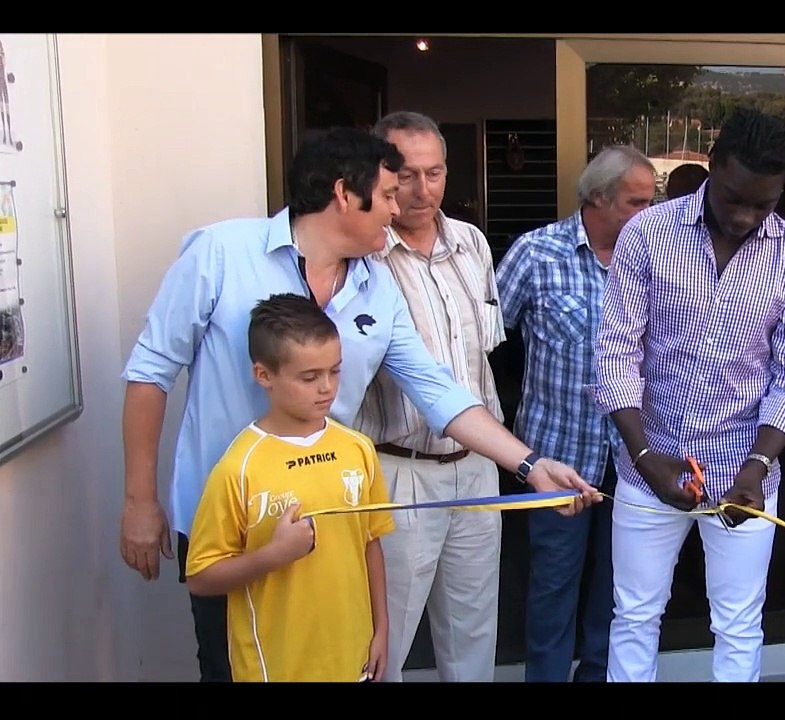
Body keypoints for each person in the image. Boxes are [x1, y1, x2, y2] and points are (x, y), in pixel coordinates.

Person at [120, 126, 597, 682]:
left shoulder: (376, 285)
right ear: (346, 194)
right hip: (232, 521)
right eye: (390, 194)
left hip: (330, 521)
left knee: (330, 661)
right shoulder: (221, 252)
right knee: (236, 666)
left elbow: (437, 390)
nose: (398, 209)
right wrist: (139, 502)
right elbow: (149, 372)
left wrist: (530, 465)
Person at [592, 107, 785, 682]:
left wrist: (759, 464)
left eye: (763, 205)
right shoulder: (648, 234)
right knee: (636, 615)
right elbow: (616, 353)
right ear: (712, 166)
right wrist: (646, 457)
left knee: (740, 623)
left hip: (747, 473)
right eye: (734, 198)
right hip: (650, 464)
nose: (746, 216)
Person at [351, 111, 507, 682]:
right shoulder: (361, 255)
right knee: (382, 637)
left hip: (477, 466)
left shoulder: (473, 244)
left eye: (435, 173)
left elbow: (482, 357)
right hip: (397, 470)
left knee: (473, 631)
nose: (422, 190)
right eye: (407, 174)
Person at [496, 144, 657, 682]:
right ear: (598, 199)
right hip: (555, 458)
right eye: (637, 202)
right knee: (552, 589)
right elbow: (486, 341)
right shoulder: (537, 253)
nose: (649, 213)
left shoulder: (659, 256)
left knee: (619, 593)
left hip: (634, 460)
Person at [185, 293, 394, 682]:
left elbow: (370, 543)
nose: (327, 388)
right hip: (274, 667)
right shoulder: (239, 467)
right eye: (309, 377)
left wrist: (381, 629)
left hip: (353, 661)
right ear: (264, 375)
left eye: (335, 371)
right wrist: (273, 555)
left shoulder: (357, 449)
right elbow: (200, 577)